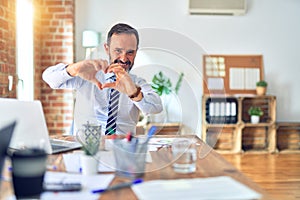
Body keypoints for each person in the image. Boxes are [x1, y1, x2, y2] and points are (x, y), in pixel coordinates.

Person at [42, 23, 163, 135]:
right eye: (118, 51)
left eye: (130, 52)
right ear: (107, 48)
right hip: (87, 148)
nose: (123, 58)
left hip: (122, 149)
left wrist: (133, 92)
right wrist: (75, 68)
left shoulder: (137, 83)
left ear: (136, 52)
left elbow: (156, 107)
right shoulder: (88, 74)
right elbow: (49, 78)